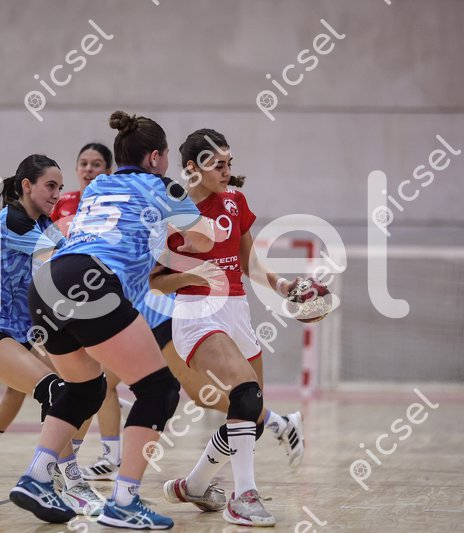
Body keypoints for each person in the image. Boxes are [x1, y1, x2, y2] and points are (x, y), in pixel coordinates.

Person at [9, 111, 214, 528]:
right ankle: (123, 501)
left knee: (85, 388)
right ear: (155, 157)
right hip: (93, 283)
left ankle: (36, 476)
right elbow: (204, 240)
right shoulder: (164, 186)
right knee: (159, 390)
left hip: (47, 283)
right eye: (167, 156)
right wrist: (197, 195)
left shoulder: (98, 185)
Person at [150, 129, 305, 527]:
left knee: (250, 416)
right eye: (218, 164)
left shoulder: (235, 200)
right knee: (246, 394)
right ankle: (243, 498)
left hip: (237, 312)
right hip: (197, 313)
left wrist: (284, 288)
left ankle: (195, 485)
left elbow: (250, 261)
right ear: (192, 167)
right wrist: (192, 275)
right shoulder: (173, 210)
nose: (226, 171)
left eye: (229, 163)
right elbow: (154, 281)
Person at [0, 154, 103, 515]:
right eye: (50, 186)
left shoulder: (43, 224)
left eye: (60, 187)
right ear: (26, 186)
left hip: (18, 333)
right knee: (57, 391)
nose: (57, 194)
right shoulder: (13, 222)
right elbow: (66, 261)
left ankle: (51, 472)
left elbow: (69, 255)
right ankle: (65, 481)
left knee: (90, 385)